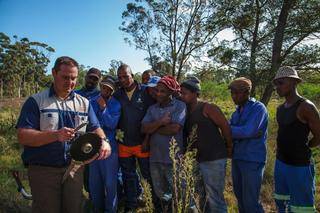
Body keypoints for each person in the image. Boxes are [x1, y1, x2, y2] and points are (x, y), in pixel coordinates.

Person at [16, 56, 111, 213]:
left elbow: (95, 127)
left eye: (73, 78)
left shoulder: (83, 103)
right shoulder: (36, 101)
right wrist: (55, 135)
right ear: (54, 73)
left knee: (73, 208)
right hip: (44, 170)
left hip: (74, 168)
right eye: (65, 77)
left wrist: (104, 140)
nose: (70, 82)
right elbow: (23, 135)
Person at [180, 77, 232, 213]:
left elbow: (225, 126)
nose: (182, 95)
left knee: (215, 197)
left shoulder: (208, 108)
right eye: (181, 93)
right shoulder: (184, 110)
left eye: (185, 93)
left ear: (195, 93)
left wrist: (229, 147)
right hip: (197, 159)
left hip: (214, 158)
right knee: (201, 194)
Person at [273, 66, 320, 212]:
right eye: (276, 84)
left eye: (281, 83)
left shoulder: (306, 107)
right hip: (281, 163)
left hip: (300, 166)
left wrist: (304, 148)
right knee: (282, 202)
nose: (277, 87)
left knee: (301, 207)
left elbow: (319, 136)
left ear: (294, 82)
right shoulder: (280, 109)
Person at [113, 64, 155, 212]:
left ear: (132, 75)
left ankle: (154, 203)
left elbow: (153, 116)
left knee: (147, 175)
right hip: (124, 144)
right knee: (128, 175)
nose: (123, 79)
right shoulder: (117, 95)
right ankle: (131, 203)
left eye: (126, 76)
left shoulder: (146, 91)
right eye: (120, 77)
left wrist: (147, 140)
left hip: (142, 143)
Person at [141, 75, 186, 210]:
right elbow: (143, 128)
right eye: (157, 90)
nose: (158, 94)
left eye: (163, 91)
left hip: (173, 159)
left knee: (178, 193)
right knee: (161, 193)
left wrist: (153, 128)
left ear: (171, 92)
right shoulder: (152, 108)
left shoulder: (180, 106)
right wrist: (161, 122)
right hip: (155, 158)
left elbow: (174, 129)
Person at [229, 77, 268, 213]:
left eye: (236, 92)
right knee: (240, 198)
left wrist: (230, 130)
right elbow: (243, 132)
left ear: (247, 92)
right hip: (238, 158)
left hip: (252, 160)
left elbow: (248, 130)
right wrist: (238, 132)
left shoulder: (258, 108)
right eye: (232, 92)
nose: (233, 96)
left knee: (251, 202)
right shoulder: (236, 112)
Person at [89, 76, 121, 212]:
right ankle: (98, 208)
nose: (105, 90)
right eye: (104, 87)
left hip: (110, 147)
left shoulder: (115, 104)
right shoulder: (91, 101)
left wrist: (103, 108)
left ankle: (111, 209)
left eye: (109, 89)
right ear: (100, 86)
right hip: (92, 146)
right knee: (95, 182)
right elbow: (90, 123)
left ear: (112, 90)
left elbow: (112, 123)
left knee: (110, 182)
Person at [75, 67, 101, 196]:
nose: (92, 80)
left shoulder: (101, 95)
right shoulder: (75, 94)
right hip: (78, 138)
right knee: (80, 170)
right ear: (85, 77)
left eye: (95, 79)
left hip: (95, 138)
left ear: (98, 81)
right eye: (90, 77)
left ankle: (94, 197)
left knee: (93, 171)